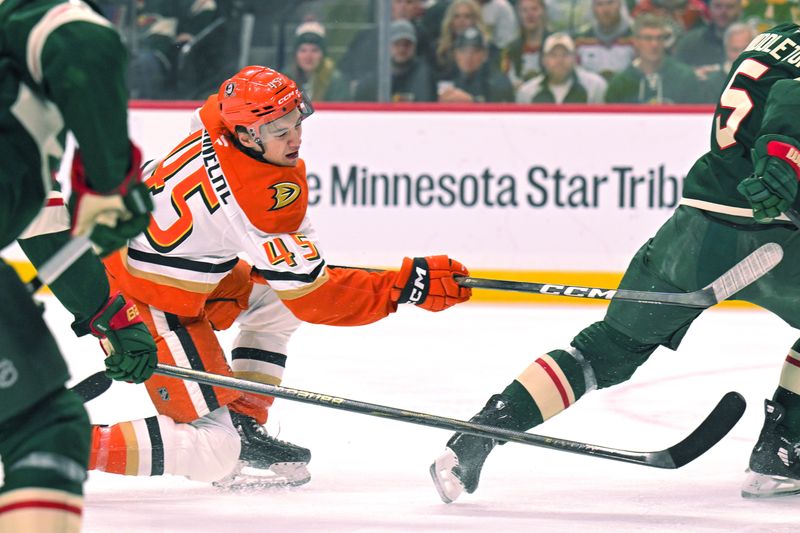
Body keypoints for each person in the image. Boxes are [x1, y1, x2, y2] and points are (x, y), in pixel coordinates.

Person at [430, 21, 800, 503]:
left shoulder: (775, 37)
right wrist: (783, 161)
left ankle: (483, 431)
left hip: (694, 229)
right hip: (776, 230)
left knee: (604, 349)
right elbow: (791, 100)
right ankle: (780, 451)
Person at [87, 65, 472, 489]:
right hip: (140, 299)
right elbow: (316, 298)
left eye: (295, 124)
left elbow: (293, 283)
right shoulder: (260, 206)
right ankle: (61, 444)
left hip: (137, 257)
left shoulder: (217, 116)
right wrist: (406, 287)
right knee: (215, 452)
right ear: (247, 134)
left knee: (275, 299)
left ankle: (244, 420)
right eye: (278, 131)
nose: (294, 139)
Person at [0, 0, 158, 531]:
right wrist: (111, 179)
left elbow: (41, 226)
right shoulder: (37, 17)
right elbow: (79, 38)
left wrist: (106, 314)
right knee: (45, 429)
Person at [605, 14, 701, 104]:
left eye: (659, 38)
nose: (654, 44)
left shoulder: (685, 78)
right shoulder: (621, 84)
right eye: (648, 38)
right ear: (636, 42)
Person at [355, 19, 436, 102]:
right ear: (387, 46)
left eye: (407, 44)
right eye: (397, 44)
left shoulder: (425, 76)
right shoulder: (375, 76)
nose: (402, 49)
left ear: (414, 46)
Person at [516, 32, 607, 103]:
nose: (559, 60)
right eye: (553, 55)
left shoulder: (595, 87)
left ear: (575, 58)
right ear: (544, 60)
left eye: (565, 54)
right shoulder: (527, 93)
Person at [439, 26, 514, 102]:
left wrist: (472, 102)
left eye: (475, 51)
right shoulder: (447, 77)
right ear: (455, 54)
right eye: (463, 51)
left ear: (485, 55)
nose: (468, 56)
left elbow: (501, 108)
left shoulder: (497, 81)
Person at [573, 0, 636, 82]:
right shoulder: (581, 40)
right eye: (599, 4)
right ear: (593, 8)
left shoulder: (635, 38)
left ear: (620, 4)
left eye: (610, 3)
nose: (605, 10)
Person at [288, 21, 350, 102]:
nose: (308, 56)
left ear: (323, 55)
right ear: (295, 54)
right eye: (303, 50)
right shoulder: (286, 78)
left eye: (314, 50)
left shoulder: (335, 81)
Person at [675, 0, 743, 70]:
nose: (723, 12)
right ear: (709, 8)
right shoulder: (690, 42)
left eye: (730, 7)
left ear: (740, 10)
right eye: (718, 6)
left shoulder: (749, 42)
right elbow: (678, 72)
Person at [502, 0, 550, 88]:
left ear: (543, 11)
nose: (530, 14)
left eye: (534, 9)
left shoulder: (555, 44)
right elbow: (506, 79)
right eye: (524, 10)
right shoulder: (511, 49)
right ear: (518, 14)